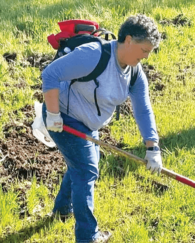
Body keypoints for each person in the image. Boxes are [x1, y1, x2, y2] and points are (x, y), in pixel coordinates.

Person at [41, 14, 162, 243]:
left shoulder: (134, 72)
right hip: (64, 117)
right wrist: (54, 114)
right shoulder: (94, 55)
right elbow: (50, 74)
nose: (146, 56)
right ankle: (87, 237)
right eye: (144, 50)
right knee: (86, 171)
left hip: (88, 123)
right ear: (128, 40)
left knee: (79, 165)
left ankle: (61, 210)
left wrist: (152, 147)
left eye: (149, 52)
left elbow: (143, 108)